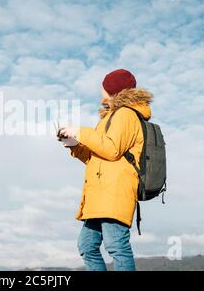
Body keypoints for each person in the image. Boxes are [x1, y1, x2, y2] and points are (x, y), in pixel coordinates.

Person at [58, 69, 154, 271]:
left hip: (115, 192)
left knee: (116, 246)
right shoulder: (109, 118)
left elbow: (111, 150)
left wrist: (80, 131)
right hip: (100, 194)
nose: (100, 89)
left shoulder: (126, 114)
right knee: (87, 246)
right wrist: (75, 145)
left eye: (103, 85)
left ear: (112, 88)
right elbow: (98, 157)